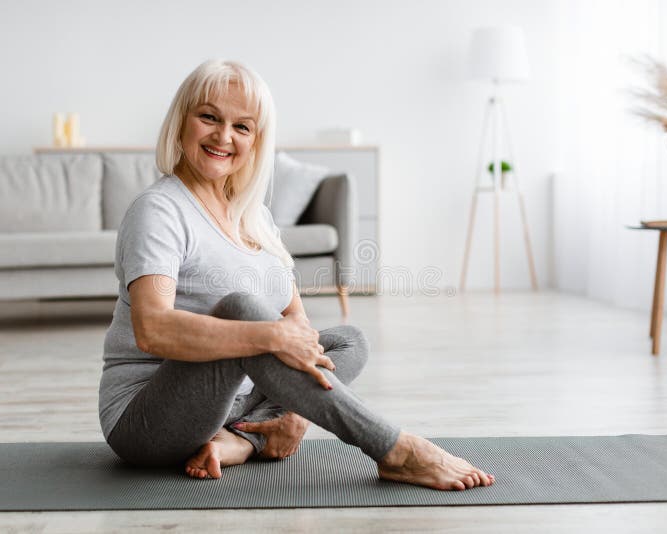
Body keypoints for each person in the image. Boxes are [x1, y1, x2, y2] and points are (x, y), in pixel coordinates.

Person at [98, 59, 495, 491]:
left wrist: (297, 405)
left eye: (242, 127)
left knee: (347, 341)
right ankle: (395, 449)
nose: (223, 136)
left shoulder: (257, 218)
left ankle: (249, 439)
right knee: (242, 309)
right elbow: (151, 329)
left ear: (257, 140)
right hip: (148, 418)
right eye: (208, 117)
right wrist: (270, 336)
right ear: (181, 122)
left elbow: (298, 326)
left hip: (236, 401)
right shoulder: (160, 210)